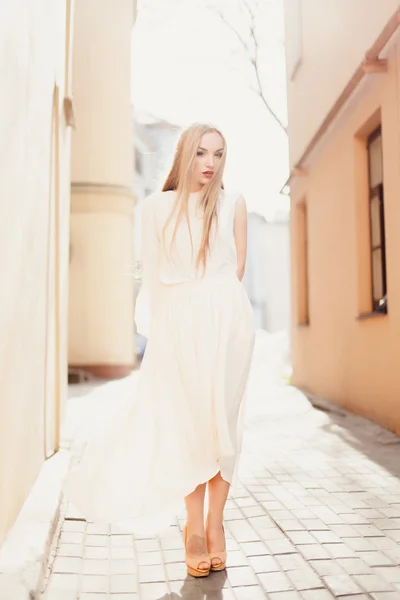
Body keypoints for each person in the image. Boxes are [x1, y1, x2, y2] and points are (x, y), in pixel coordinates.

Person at [63, 123, 255, 578]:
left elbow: (236, 271)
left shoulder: (234, 205)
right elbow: (152, 277)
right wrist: (165, 335)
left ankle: (215, 523)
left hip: (228, 324)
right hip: (178, 326)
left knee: (223, 422)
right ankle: (192, 527)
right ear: (185, 155)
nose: (210, 163)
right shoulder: (156, 207)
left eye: (219, 154)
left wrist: (217, 314)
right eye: (202, 153)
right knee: (189, 425)